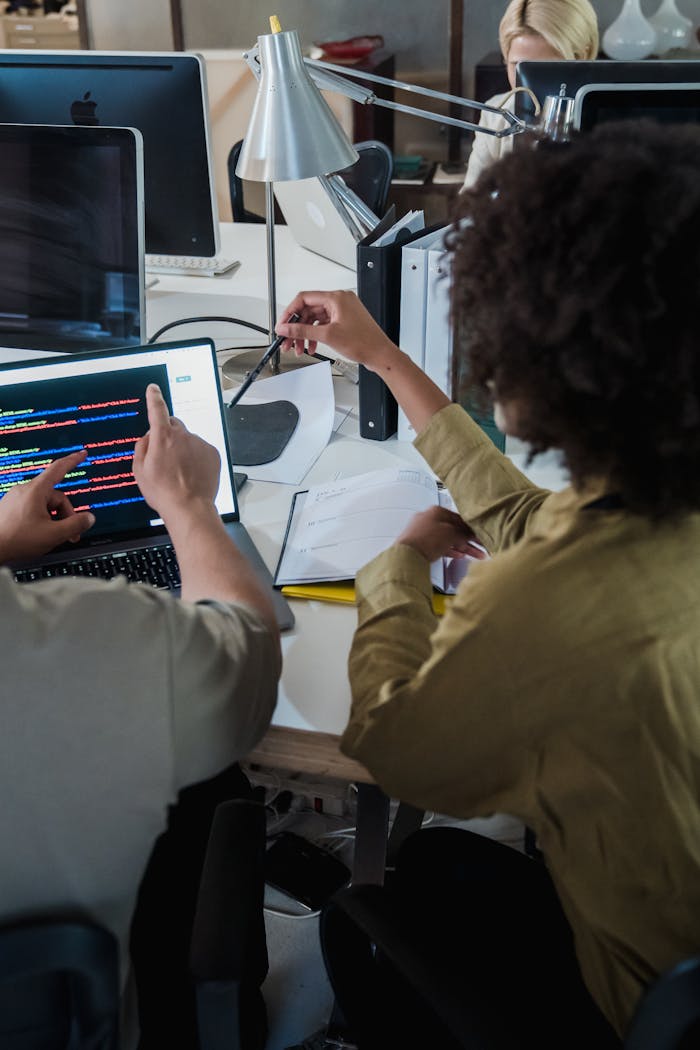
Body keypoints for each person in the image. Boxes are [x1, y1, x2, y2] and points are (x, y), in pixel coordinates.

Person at [275, 120, 700, 1047]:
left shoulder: (545, 603)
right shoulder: (660, 496)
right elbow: (531, 521)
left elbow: (396, 750)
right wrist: (384, 358)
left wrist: (397, 565)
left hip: (639, 998)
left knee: (408, 875)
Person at [0, 383, 281, 1046]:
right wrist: (189, 506)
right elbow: (248, 658)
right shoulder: (76, 640)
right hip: (84, 1025)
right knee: (213, 785)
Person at [463, 0, 599, 188]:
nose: (532, 85)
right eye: (519, 67)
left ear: (582, 57)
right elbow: (470, 203)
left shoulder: (611, 120)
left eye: (546, 69)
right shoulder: (497, 116)